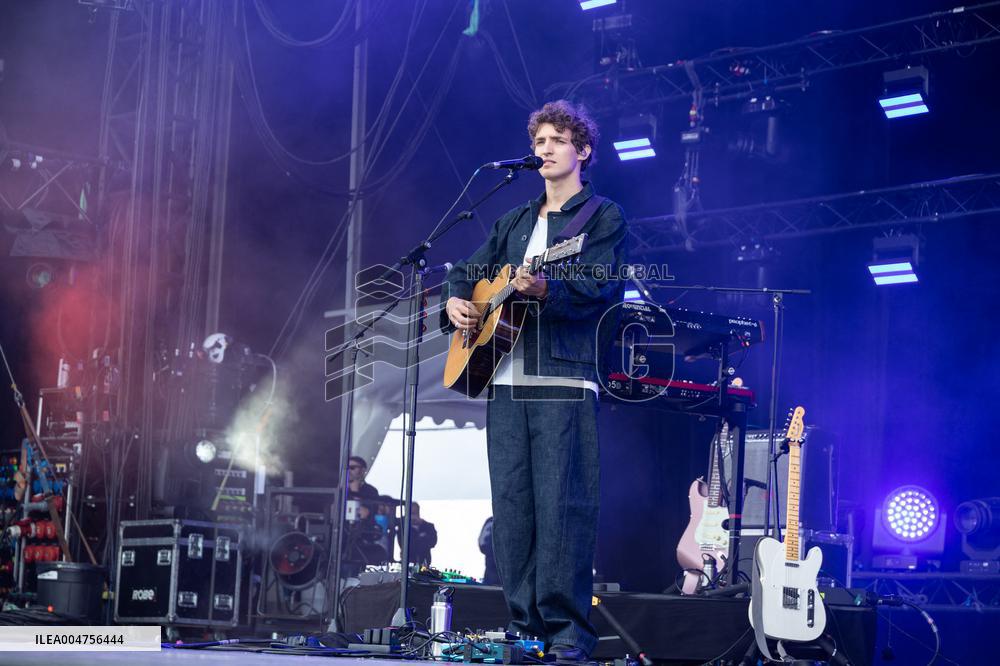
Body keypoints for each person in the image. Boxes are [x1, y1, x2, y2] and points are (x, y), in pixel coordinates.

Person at [440, 100, 628, 662]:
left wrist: (550, 289)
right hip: (503, 379)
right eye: (539, 141)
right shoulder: (514, 221)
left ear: (583, 150)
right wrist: (455, 301)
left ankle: (567, 633)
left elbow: (603, 286)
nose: (544, 149)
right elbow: (466, 271)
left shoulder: (600, 217)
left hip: (563, 379)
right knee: (514, 508)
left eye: (557, 140)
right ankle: (524, 628)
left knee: (563, 507)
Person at [397, 501, 437, 567]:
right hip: (408, 562)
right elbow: (402, 543)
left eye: (415, 513)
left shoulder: (428, 526)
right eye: (411, 513)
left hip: (424, 561)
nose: (413, 515)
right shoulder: (403, 528)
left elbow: (433, 542)